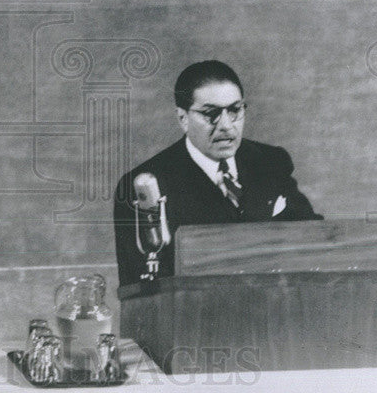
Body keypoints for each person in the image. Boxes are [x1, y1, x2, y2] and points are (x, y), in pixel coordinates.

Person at [113, 60, 321, 287]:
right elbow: (140, 285)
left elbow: (313, 237)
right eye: (211, 113)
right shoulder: (145, 184)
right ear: (183, 118)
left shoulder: (270, 162)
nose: (225, 125)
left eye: (234, 110)